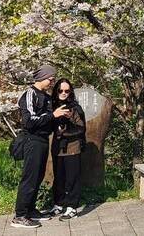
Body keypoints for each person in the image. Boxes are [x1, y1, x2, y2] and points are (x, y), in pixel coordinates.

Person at [11, 65, 70, 229]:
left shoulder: (45, 96)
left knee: (38, 176)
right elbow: (29, 121)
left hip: (43, 140)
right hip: (32, 140)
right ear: (42, 77)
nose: (52, 82)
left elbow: (48, 119)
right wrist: (53, 115)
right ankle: (20, 215)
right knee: (30, 177)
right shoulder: (30, 94)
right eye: (50, 79)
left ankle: (30, 210)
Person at [48, 79, 86, 220]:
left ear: (70, 92)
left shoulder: (75, 108)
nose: (63, 93)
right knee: (59, 177)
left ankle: (72, 207)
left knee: (72, 177)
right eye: (60, 90)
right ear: (56, 91)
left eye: (67, 91)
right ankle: (59, 204)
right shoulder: (52, 107)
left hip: (72, 147)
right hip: (57, 147)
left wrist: (65, 131)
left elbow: (81, 128)